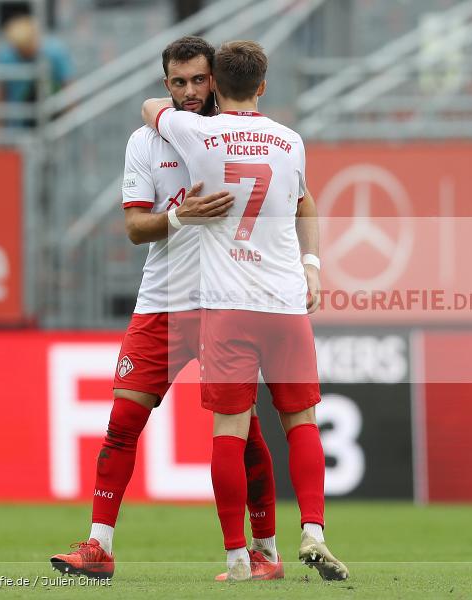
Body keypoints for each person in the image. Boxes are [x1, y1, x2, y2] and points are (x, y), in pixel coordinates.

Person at [49, 36, 282, 581]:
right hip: (162, 304)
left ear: (216, 79)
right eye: (179, 82)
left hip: (225, 303)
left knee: (245, 433)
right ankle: (98, 546)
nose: (190, 91)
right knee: (122, 421)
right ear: (166, 85)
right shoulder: (144, 142)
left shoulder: (239, 136)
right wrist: (181, 216)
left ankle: (265, 552)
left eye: (200, 79)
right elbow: (135, 228)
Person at [141, 40, 348, 582]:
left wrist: (169, 106)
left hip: (228, 307)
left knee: (229, 432)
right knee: (301, 421)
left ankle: (237, 557)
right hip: (285, 302)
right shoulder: (290, 141)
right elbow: (302, 203)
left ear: (213, 83)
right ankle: (314, 531)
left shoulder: (196, 132)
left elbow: (151, 109)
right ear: (262, 86)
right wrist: (312, 265)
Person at [0, 14, 73, 125]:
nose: (25, 51)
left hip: (53, 118)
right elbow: (1, 95)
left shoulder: (55, 53)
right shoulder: (5, 57)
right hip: (19, 123)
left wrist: (68, 121)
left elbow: (68, 88)